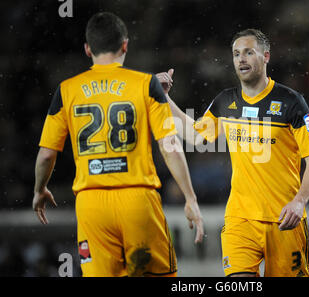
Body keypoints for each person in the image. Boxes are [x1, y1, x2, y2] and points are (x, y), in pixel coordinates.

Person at [32, 12, 204, 277]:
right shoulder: (146, 84)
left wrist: (40, 188)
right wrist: (190, 198)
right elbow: (169, 145)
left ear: (88, 48)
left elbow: (45, 155)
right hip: (138, 200)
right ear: (125, 45)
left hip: (91, 205)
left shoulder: (67, 90)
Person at [157, 29, 309, 277]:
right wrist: (164, 98)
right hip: (239, 219)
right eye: (236, 54)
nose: (241, 59)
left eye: (248, 52)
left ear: (266, 56)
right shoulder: (226, 101)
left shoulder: (291, 102)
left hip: (284, 220)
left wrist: (299, 202)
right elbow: (195, 135)